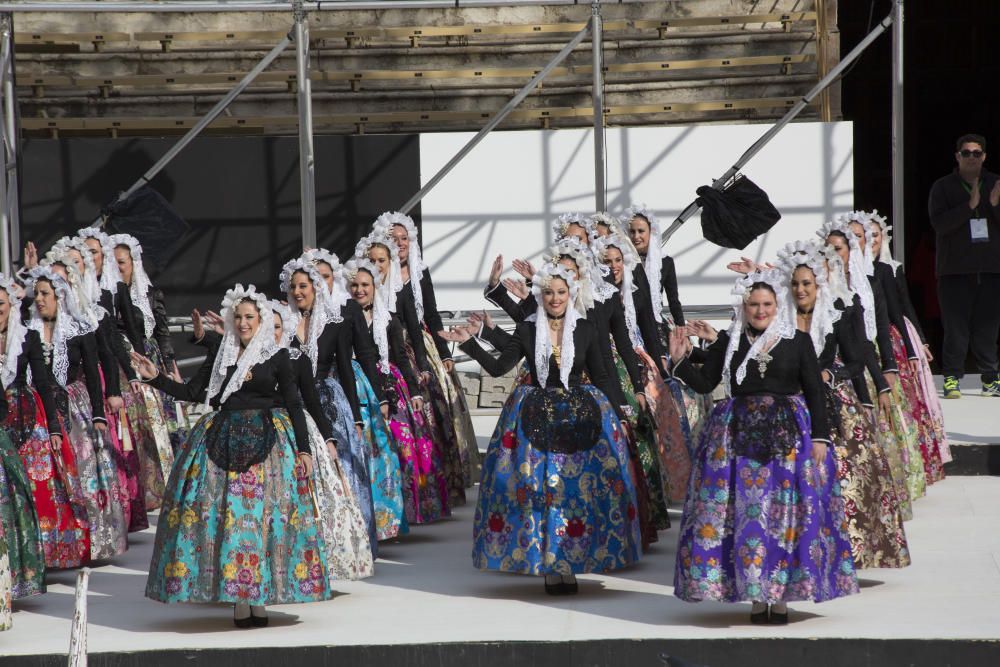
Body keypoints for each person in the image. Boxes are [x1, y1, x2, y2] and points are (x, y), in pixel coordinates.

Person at [135, 284, 336, 627]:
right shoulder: (221, 356)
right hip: (220, 446)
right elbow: (192, 392)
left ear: (260, 321)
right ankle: (240, 601)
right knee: (227, 520)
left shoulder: (276, 358)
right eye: (238, 317)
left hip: (268, 446)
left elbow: (294, 404)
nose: (243, 323)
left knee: (261, 521)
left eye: (249, 318)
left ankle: (257, 598)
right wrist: (156, 378)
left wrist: (303, 449)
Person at [439, 262, 641, 595]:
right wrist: (470, 342)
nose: (555, 299)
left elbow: (602, 374)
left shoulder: (586, 328)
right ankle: (549, 565)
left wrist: (617, 412)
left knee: (575, 491)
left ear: (571, 293)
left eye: (561, 292)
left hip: (580, 415)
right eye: (549, 293)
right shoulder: (528, 329)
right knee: (539, 489)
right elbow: (499, 366)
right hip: (535, 413)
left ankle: (571, 563)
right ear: (540, 295)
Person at [669, 269, 857, 624]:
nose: (760, 310)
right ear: (744, 305)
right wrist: (679, 361)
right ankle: (755, 596)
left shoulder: (797, 341)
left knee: (784, 516)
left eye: (767, 304)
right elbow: (705, 382)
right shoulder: (731, 340)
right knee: (745, 516)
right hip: (735, 437)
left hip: (788, 438)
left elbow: (814, 391)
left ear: (777, 304)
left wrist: (820, 437)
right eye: (753, 304)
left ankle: (782, 597)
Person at [775, 242, 910, 569]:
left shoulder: (838, 312)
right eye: (795, 284)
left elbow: (856, 360)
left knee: (850, 477)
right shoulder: (779, 318)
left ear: (818, 283)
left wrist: (830, 373)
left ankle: (850, 552)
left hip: (833, 405)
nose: (801, 289)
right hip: (791, 405)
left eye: (807, 283)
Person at [376, 212, 479, 505]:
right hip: (388, 347)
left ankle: (444, 477)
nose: (400, 244)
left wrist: (444, 354)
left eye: (404, 238)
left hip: (418, 342)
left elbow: (431, 314)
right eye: (392, 240)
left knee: (438, 405)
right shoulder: (374, 278)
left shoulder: (420, 273)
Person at [279, 257, 378, 552]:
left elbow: (346, 370)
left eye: (303, 286)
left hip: (329, 401)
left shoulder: (335, 324)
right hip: (294, 401)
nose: (298, 291)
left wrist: (357, 416)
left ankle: (345, 542)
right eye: (293, 286)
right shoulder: (280, 323)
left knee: (339, 469)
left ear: (315, 287)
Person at [345, 258, 443, 528]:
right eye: (354, 285)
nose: (359, 290)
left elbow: (400, 356)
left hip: (389, 382)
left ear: (376, 288)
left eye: (365, 285)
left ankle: (406, 512)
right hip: (354, 385)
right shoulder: (341, 319)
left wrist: (414, 392)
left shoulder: (388, 320)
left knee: (401, 444)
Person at [1, 275, 89, 571]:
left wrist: (53, 427)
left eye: (0, 304)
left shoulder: (27, 338)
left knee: (38, 484)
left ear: (11, 306)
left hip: (26, 416)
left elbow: (41, 382)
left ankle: (45, 552)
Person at [928, 133, 1000, 398]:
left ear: (984, 156)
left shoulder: (996, 183)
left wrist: (993, 206)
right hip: (954, 270)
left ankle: (990, 378)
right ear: (958, 156)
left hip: (991, 269)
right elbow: (939, 225)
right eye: (966, 153)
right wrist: (969, 207)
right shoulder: (943, 187)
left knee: (988, 328)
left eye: (977, 153)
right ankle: (951, 378)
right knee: (955, 328)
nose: (972, 157)